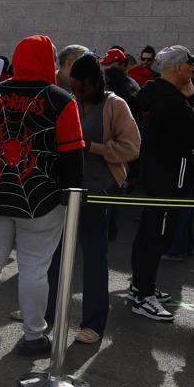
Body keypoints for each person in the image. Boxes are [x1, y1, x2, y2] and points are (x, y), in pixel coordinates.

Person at [0, 35, 85, 355]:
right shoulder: (61, 100)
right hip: (43, 200)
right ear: (47, 61)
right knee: (34, 269)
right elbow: (72, 158)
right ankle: (33, 335)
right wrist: (69, 197)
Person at [44, 54, 140, 345]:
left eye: (83, 88)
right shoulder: (69, 100)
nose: (78, 93)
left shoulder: (115, 104)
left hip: (100, 190)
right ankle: (45, 314)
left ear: (97, 82)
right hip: (66, 191)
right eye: (73, 87)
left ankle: (93, 322)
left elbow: (132, 148)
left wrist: (93, 147)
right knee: (55, 255)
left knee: (95, 258)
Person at [128, 45, 194, 322]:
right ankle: (142, 294)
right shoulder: (174, 102)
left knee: (149, 233)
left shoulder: (159, 95)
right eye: (191, 65)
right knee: (157, 236)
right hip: (169, 180)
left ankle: (140, 286)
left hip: (158, 175)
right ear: (178, 68)